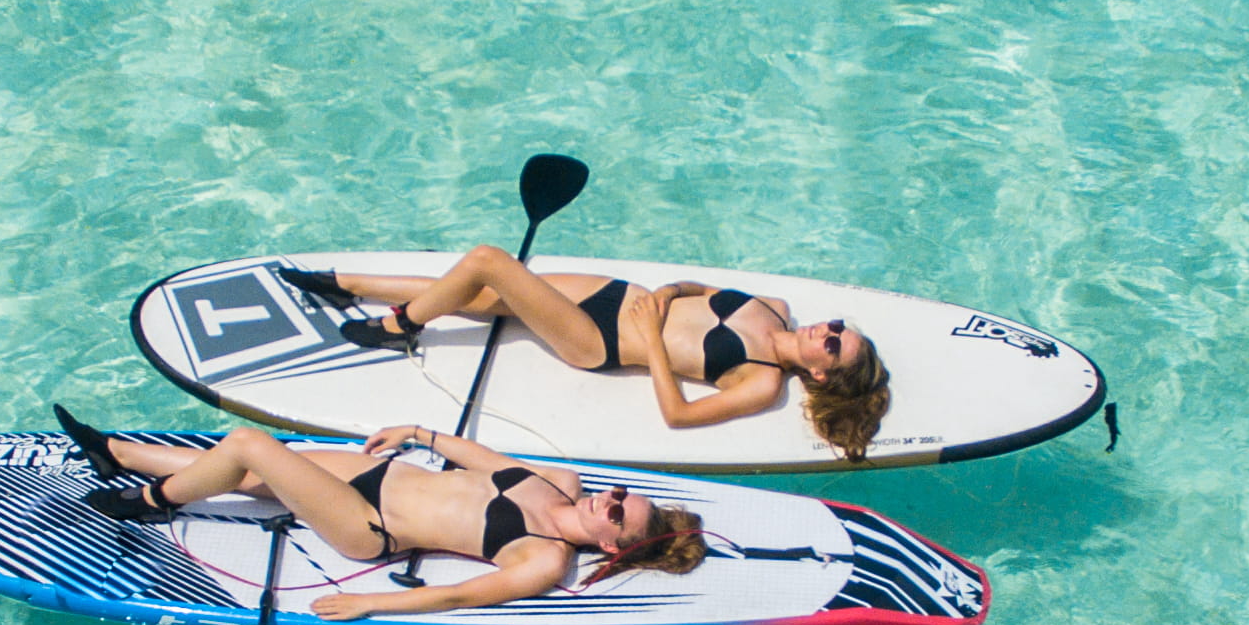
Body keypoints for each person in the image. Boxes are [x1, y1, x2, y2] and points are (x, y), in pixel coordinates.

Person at [52, 405, 707, 621]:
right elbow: (482, 456)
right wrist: (420, 435)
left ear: (613, 545)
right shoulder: (558, 481)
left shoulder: (542, 557)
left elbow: (462, 595)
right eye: (621, 494)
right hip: (378, 473)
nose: (611, 498)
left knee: (254, 446)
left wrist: (372, 605)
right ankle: (115, 451)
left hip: (368, 527)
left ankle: (143, 502)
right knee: (248, 472)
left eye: (618, 513)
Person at [283, 249, 893, 460]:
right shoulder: (776, 305)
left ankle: (399, 324)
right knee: (487, 297)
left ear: (819, 371)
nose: (828, 330)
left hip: (598, 340)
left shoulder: (762, 381)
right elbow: (695, 289)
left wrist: (651, 339)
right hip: (615, 293)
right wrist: (666, 294)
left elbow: (677, 415)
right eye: (838, 326)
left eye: (835, 346)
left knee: (488, 263)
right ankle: (347, 283)